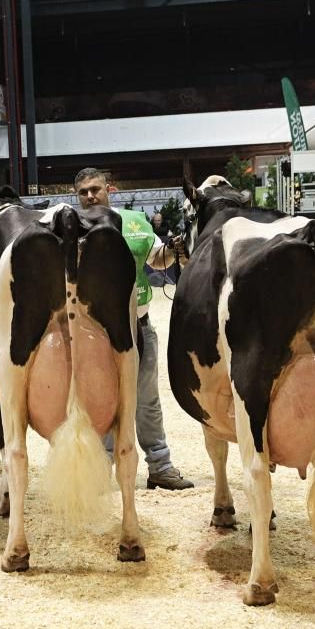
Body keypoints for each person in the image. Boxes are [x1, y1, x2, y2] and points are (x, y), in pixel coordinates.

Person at [74, 168, 194, 490]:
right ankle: (103, 469)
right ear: (76, 196)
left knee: (147, 399)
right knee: (102, 401)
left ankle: (160, 465)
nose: (90, 196)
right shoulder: (71, 229)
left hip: (140, 327)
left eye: (95, 189)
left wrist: (174, 250)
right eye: (83, 191)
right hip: (95, 334)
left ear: (108, 189)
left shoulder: (136, 223)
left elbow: (158, 259)